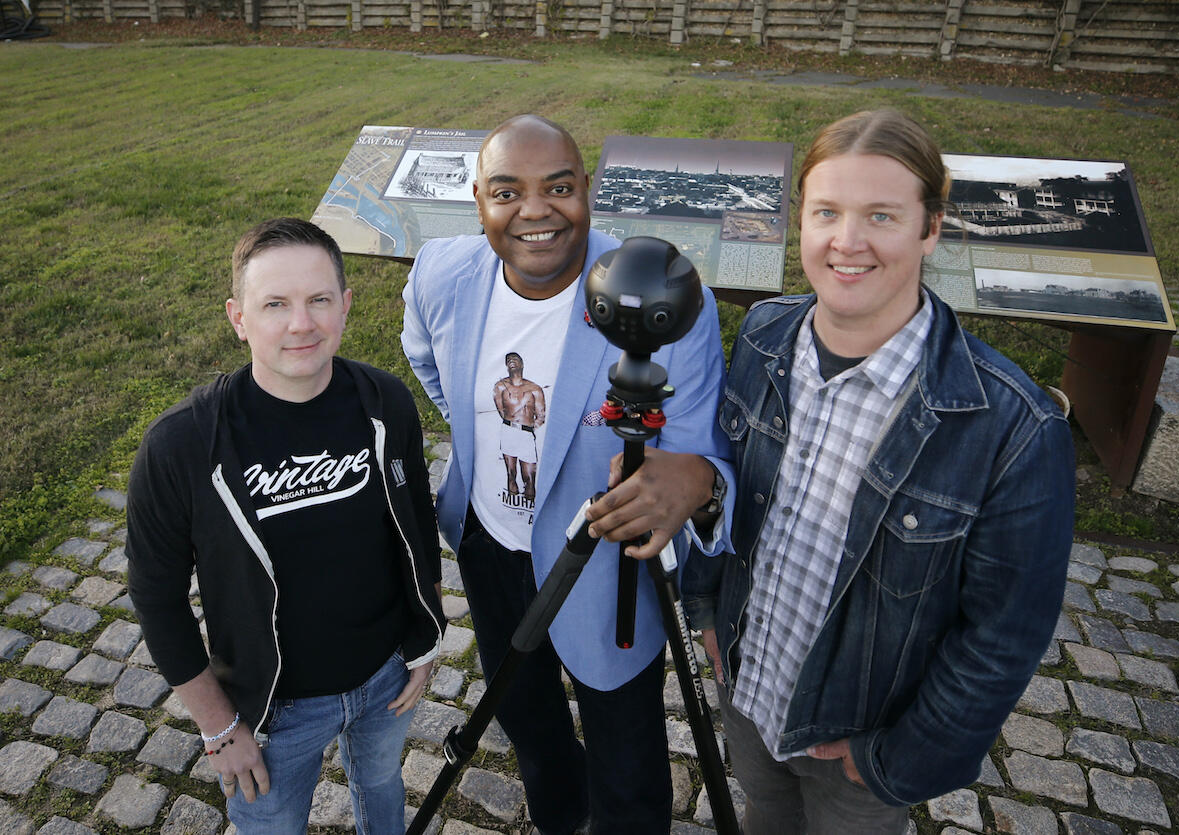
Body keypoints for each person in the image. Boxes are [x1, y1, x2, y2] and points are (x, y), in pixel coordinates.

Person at [687, 109, 1075, 833]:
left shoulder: (1010, 428)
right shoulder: (765, 335)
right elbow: (727, 487)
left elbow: (1002, 634)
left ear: (929, 228)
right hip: (750, 688)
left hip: (857, 745)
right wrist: (707, 610)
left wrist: (896, 756)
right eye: (825, 211)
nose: (847, 241)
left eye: (882, 216)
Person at [401, 114, 734, 834]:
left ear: (588, 189)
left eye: (558, 187)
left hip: (605, 567)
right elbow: (428, 359)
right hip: (489, 542)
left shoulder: (663, 293)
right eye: (506, 191)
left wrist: (694, 479)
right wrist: (489, 436)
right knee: (528, 721)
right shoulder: (441, 272)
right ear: (478, 198)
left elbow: (700, 450)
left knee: (625, 751)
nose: (535, 210)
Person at [126, 217, 446, 833]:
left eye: (319, 300)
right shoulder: (181, 447)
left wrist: (426, 634)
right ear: (238, 318)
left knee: (381, 786)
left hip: (386, 681)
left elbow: (414, 522)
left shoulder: (386, 404)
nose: (301, 324)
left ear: (346, 306)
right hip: (272, 715)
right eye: (275, 304)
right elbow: (156, 599)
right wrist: (220, 727)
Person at [493, 351, 546, 502]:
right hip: (508, 430)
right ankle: (510, 502)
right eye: (508, 359)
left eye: (515, 359)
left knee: (529, 478)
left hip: (526, 434)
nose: (511, 361)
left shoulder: (534, 388)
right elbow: (500, 410)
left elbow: (541, 416)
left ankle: (531, 506)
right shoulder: (500, 387)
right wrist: (512, 424)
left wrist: (528, 428)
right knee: (511, 474)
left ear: (522, 364)